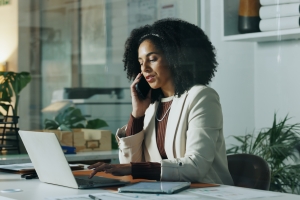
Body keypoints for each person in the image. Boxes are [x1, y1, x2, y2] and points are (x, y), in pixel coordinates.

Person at [88, 18, 234, 185]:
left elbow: (196, 166)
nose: (144, 69)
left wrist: (134, 168)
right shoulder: (152, 106)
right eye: (141, 62)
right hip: (165, 193)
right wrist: (137, 114)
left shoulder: (201, 97)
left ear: (175, 57)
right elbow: (130, 162)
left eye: (152, 59)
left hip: (206, 192)